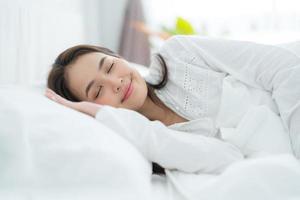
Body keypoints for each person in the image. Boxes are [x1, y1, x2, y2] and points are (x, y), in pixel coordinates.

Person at [45, 35, 300, 174]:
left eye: (111, 66)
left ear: (118, 57)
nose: (117, 82)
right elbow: (226, 159)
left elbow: (283, 68)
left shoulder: (178, 54)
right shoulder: (156, 141)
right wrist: (103, 116)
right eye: (98, 90)